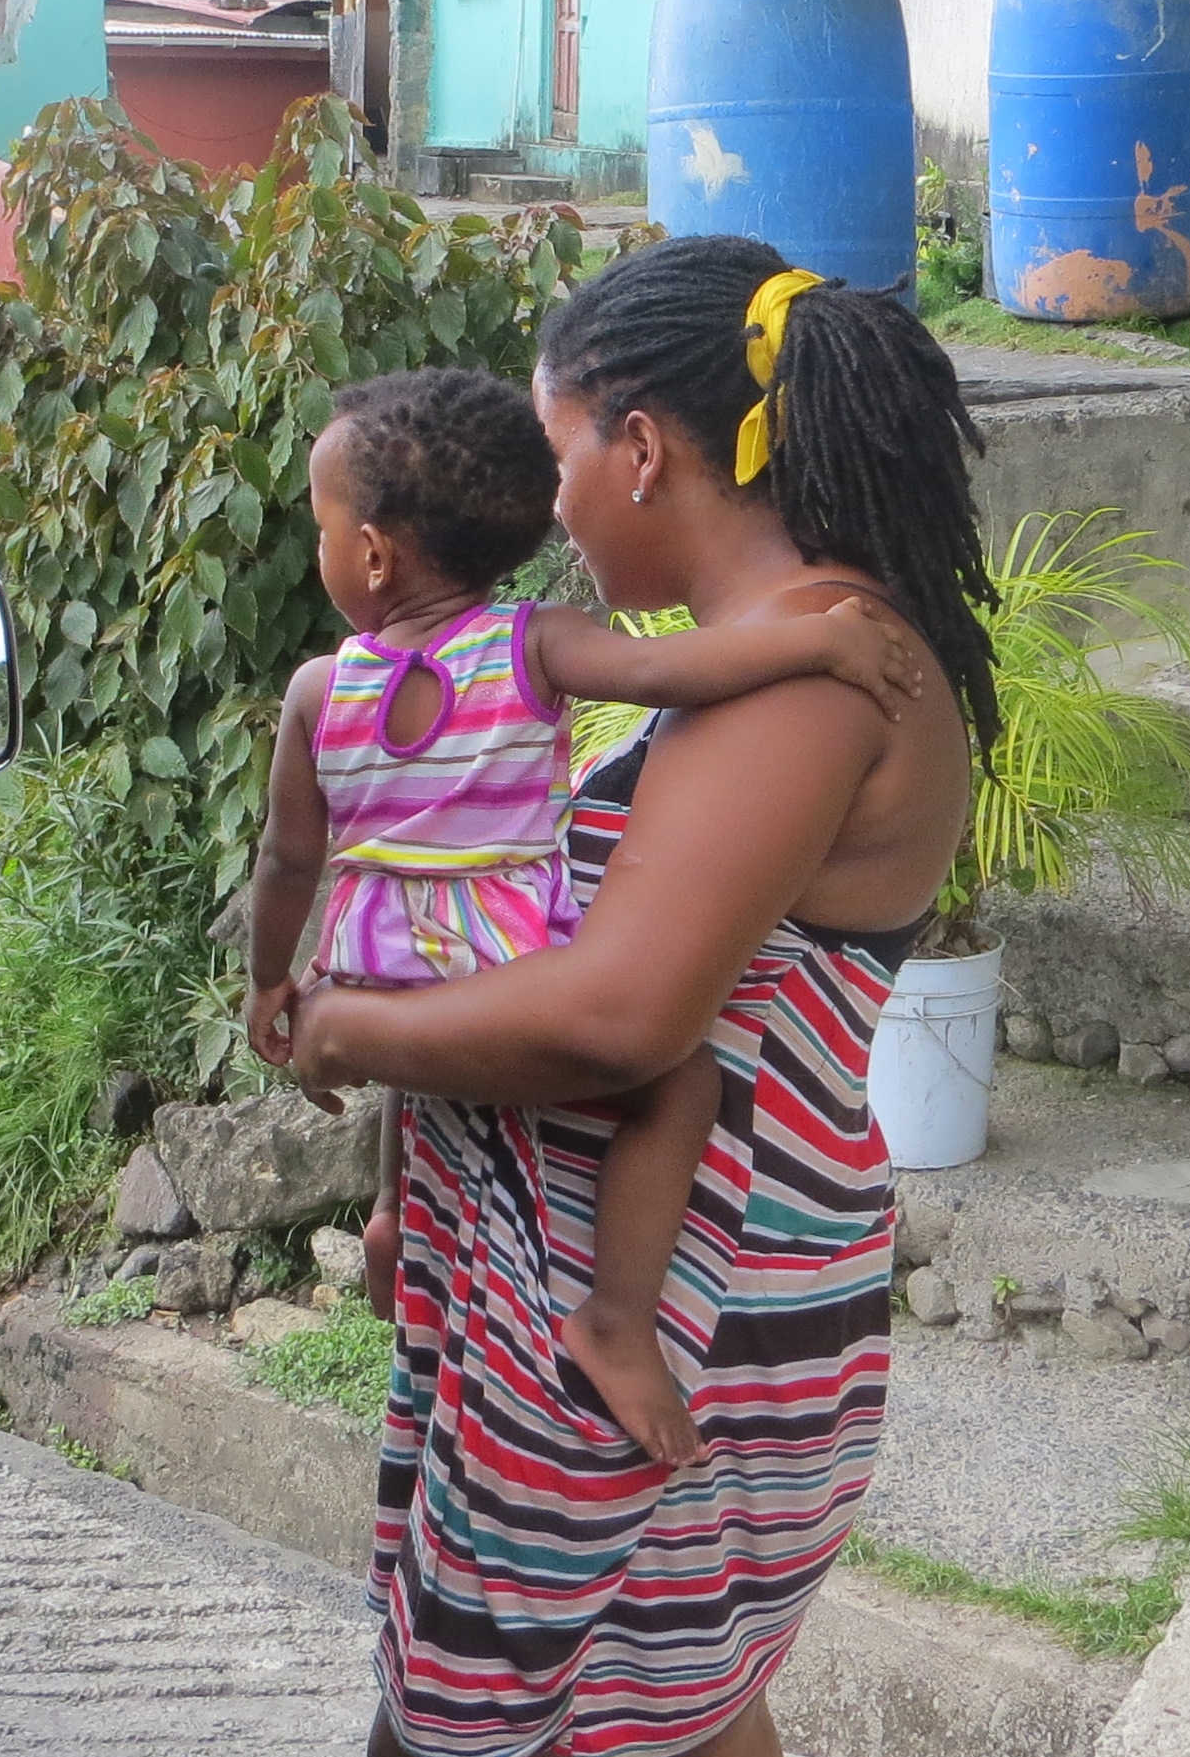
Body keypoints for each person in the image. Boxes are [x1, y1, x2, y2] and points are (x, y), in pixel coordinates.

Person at [289, 242, 996, 1757]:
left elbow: (624, 1011)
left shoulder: (813, 665)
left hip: (656, 1324)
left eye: (550, 455)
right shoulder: (799, 644)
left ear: (639, 445)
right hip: (708, 1303)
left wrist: (355, 1025)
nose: (541, 520)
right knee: (697, 1700)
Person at [242, 365, 923, 1466]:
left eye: (320, 526)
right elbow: (673, 671)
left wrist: (273, 982)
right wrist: (817, 642)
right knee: (681, 1079)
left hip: (368, 959)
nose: (322, 548)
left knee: (412, 1048)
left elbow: (286, 857)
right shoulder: (535, 643)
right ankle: (616, 1316)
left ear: (370, 554)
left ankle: (392, 1216)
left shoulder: (321, 691)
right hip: (497, 954)